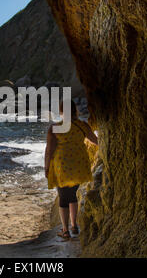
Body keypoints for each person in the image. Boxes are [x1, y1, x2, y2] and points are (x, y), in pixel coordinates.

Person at [44, 100, 98, 239]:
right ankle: (74, 226)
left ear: (61, 111)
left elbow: (49, 150)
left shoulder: (55, 128)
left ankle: (65, 230)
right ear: (75, 110)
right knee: (72, 194)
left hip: (61, 165)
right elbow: (95, 140)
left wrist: (46, 167)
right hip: (78, 165)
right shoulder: (83, 125)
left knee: (63, 197)